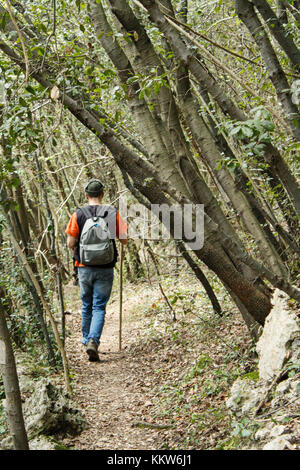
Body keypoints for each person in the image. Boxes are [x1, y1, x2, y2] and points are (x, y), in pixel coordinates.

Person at [65, 179, 128, 362]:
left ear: (86, 195)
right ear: (102, 194)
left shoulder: (78, 214)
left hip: (84, 268)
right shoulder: (110, 212)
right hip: (106, 268)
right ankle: (94, 340)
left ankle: (86, 341)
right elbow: (124, 239)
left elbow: (70, 243)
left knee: (86, 305)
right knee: (99, 306)